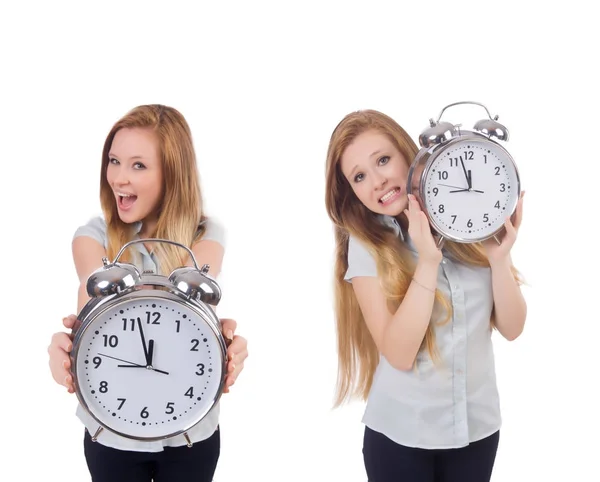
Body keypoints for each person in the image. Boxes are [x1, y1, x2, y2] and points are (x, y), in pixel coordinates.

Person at [47, 104, 248, 482]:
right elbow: (94, 315)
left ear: (171, 174)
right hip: (110, 431)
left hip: (191, 432)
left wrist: (224, 344)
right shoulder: (94, 236)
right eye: (114, 161)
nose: (119, 178)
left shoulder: (206, 233)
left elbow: (188, 312)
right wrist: (69, 350)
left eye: (138, 165)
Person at [324, 109, 526, 482]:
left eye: (383, 160)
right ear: (351, 191)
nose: (378, 181)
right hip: (402, 436)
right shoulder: (366, 246)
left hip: (477, 429)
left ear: (407, 154)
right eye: (359, 177)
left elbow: (512, 328)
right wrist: (428, 261)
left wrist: (500, 260)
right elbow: (399, 353)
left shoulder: (468, 217)